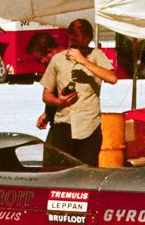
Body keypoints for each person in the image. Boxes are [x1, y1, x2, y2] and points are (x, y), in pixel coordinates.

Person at [39, 18, 117, 167]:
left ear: (87, 39)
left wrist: (83, 61)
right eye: (71, 39)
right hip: (63, 126)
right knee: (58, 172)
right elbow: (46, 94)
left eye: (78, 40)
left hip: (88, 126)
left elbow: (112, 78)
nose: (73, 44)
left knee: (87, 174)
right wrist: (58, 102)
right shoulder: (58, 59)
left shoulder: (97, 56)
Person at [26, 32, 62, 131]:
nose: (41, 63)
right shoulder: (55, 64)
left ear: (50, 51)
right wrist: (47, 113)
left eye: (40, 59)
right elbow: (54, 92)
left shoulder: (63, 65)